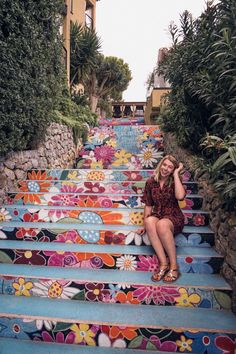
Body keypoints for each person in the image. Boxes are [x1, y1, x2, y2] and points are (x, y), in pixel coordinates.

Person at [140, 155, 186, 282]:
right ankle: (163, 264)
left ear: (173, 170)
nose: (166, 168)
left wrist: (176, 174)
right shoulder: (150, 182)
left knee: (162, 225)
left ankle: (174, 267)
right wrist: (144, 225)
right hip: (158, 215)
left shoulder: (175, 181)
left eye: (170, 167)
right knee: (149, 221)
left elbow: (180, 196)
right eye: (164, 165)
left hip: (173, 217)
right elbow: (148, 204)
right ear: (160, 164)